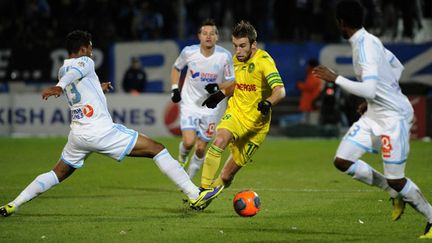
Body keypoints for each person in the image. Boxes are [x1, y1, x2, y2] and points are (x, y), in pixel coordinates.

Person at [0, 30, 222, 217]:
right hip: (101, 132)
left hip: (78, 136)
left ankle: (13, 204)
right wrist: (59, 87)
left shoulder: (63, 68)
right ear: (85, 48)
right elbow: (76, 74)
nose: (91, 51)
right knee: (158, 149)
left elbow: (76, 82)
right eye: (90, 47)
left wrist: (98, 87)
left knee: (56, 173)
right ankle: (195, 195)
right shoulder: (84, 62)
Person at [312, 0, 432, 239]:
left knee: (397, 179)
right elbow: (396, 67)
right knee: (342, 161)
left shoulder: (365, 46)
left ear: (341, 22)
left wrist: (335, 78)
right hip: (375, 113)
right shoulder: (368, 41)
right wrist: (375, 96)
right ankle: (392, 191)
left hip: (393, 118)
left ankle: (431, 216)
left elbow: (368, 88)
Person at [199, 20, 286, 205]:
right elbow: (236, 84)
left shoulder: (264, 62)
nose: (238, 51)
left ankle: (206, 196)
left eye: (242, 46)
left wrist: (268, 102)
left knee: (227, 176)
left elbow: (280, 90)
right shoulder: (235, 60)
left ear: (253, 45)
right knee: (220, 140)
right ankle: (201, 191)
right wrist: (220, 94)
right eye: (235, 46)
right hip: (236, 115)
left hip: (256, 128)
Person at [170, 19, 235, 179]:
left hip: (212, 108)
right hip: (190, 104)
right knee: (189, 142)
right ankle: (182, 156)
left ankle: (188, 179)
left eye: (212, 33)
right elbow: (177, 68)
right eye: (205, 33)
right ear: (199, 36)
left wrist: (217, 86)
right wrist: (174, 88)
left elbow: (232, 81)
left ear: (217, 37)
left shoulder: (224, 56)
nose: (208, 36)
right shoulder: (189, 52)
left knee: (200, 148)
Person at [296, 59, 323, 123]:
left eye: (307, 65)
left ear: (311, 66)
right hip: (311, 103)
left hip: (311, 102)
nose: (306, 67)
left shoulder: (314, 75)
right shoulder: (314, 74)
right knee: (308, 121)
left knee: (310, 122)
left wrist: (299, 85)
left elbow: (309, 86)